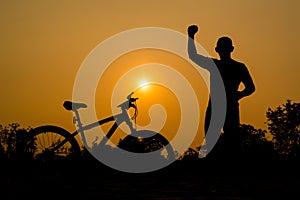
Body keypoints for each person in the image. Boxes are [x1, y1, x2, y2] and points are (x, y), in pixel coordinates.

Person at [187, 25, 256, 158]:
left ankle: (226, 173)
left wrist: (239, 95)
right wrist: (190, 36)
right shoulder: (218, 65)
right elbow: (193, 56)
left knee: (230, 141)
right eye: (222, 48)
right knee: (218, 141)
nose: (223, 50)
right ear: (219, 50)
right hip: (217, 107)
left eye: (224, 47)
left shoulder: (235, 67)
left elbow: (251, 87)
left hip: (227, 107)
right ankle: (217, 173)